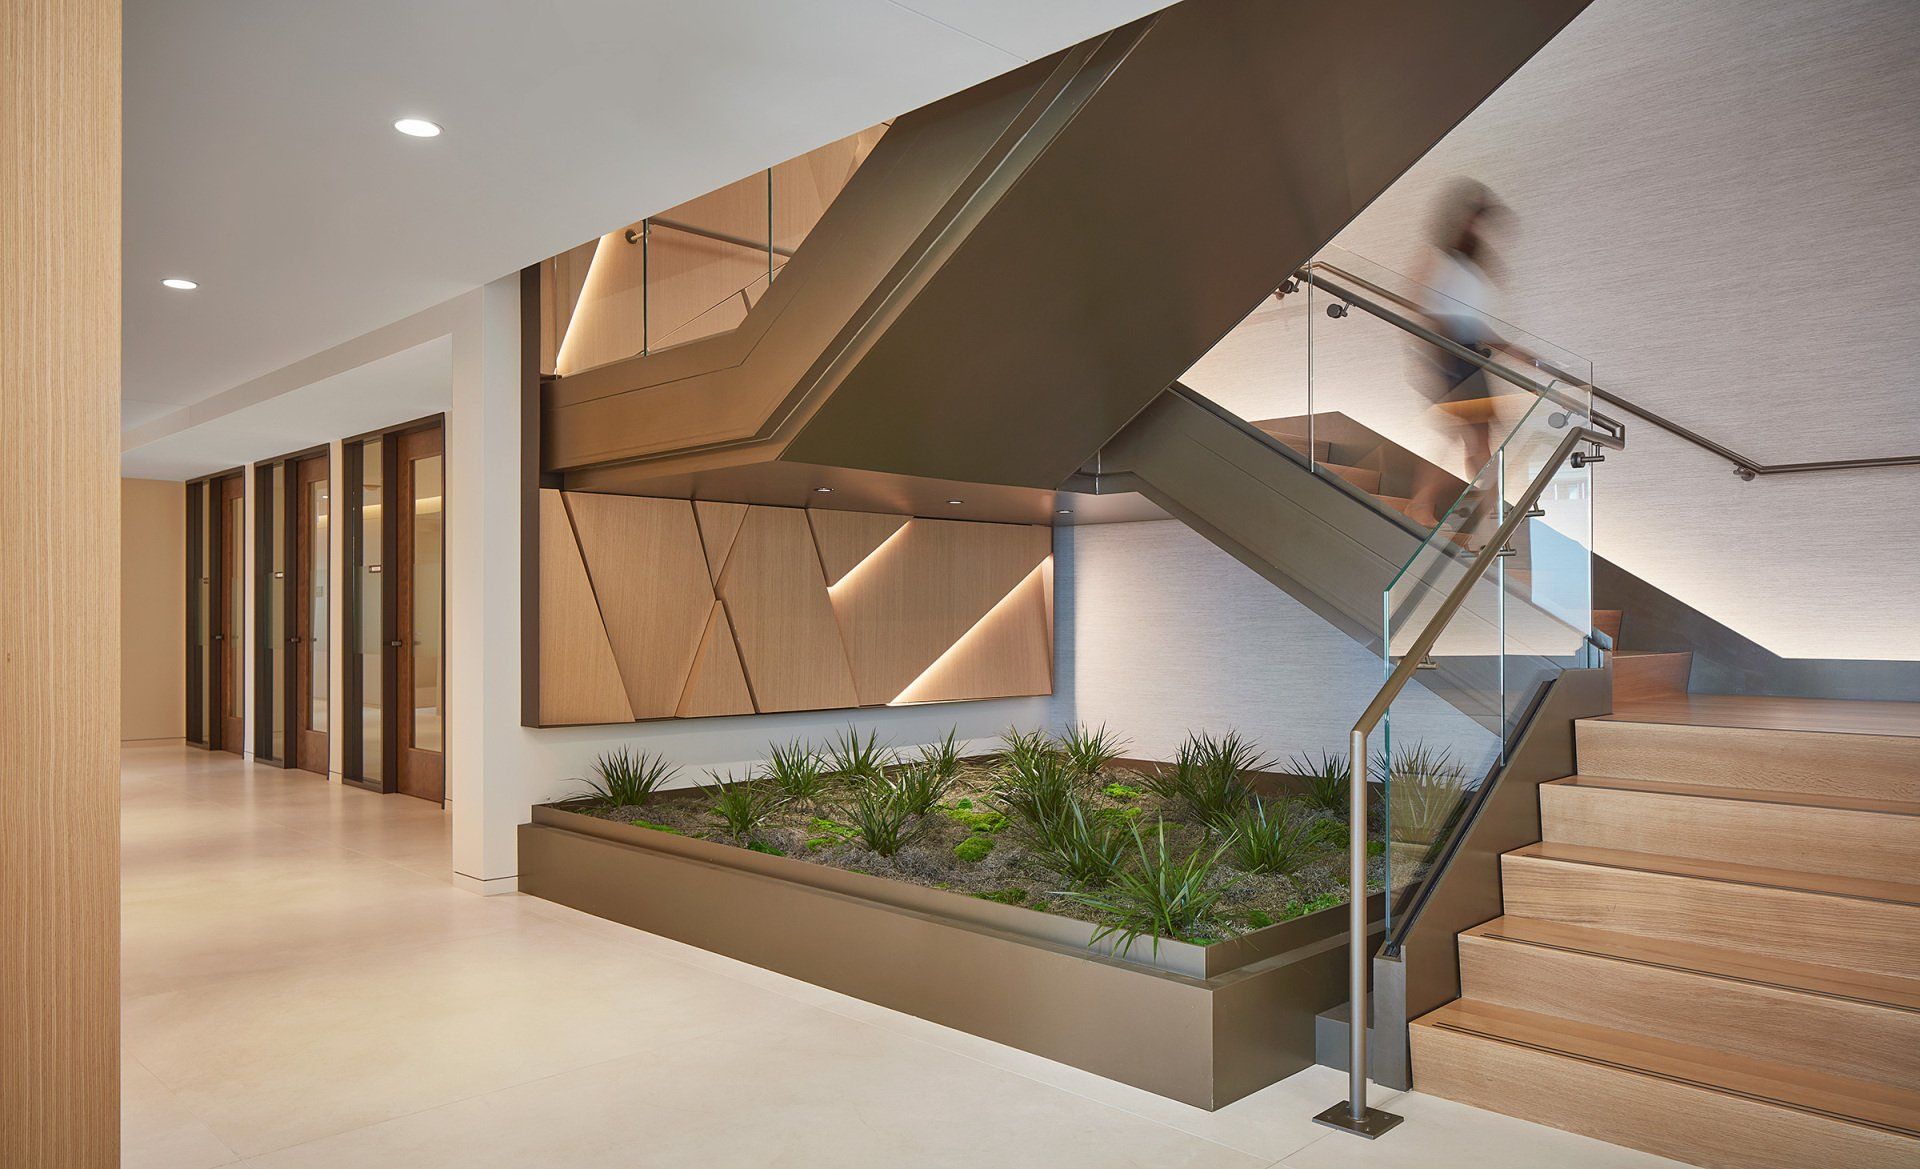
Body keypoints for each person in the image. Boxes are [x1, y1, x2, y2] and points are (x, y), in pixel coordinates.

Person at [1404, 180, 1511, 528]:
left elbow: (1468, 318)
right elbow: (1421, 306)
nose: (1477, 224)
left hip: (1470, 354)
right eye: (1473, 216)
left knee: (1480, 439)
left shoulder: (1471, 263)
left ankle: (1492, 514)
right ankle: (1422, 504)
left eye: (1480, 218)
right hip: (1450, 354)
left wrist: (1506, 346)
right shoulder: (1439, 256)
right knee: (1461, 435)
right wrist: (1434, 356)